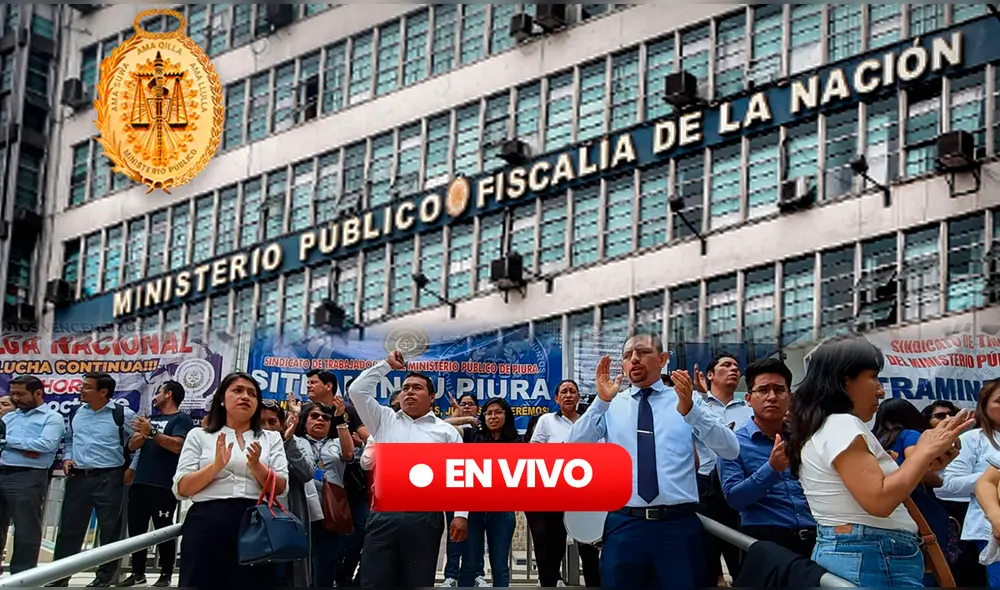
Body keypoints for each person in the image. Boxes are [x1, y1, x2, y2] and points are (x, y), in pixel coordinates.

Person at [785, 335, 971, 587]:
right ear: (844, 379)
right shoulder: (841, 423)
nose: (881, 390)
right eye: (873, 377)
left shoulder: (825, 427)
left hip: (863, 552)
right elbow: (880, 500)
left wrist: (925, 462)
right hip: (874, 554)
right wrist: (925, 451)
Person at [568, 331, 739, 587]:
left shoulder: (685, 400)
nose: (634, 359)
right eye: (627, 355)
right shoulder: (612, 404)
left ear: (663, 359)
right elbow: (575, 447)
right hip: (625, 524)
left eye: (643, 352)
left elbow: (730, 449)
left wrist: (692, 412)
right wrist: (601, 403)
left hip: (678, 527)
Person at [348, 349, 468, 588]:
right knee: (374, 581)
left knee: (417, 582)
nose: (409, 392)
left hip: (425, 517)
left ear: (432, 396)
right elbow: (356, 391)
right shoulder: (384, 420)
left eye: (417, 387)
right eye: (405, 387)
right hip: (384, 515)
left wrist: (461, 516)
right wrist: (386, 365)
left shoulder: (446, 432)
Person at [173, 372, 289, 588]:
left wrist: (256, 466)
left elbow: (281, 487)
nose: (245, 396)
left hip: (256, 524)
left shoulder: (270, 438)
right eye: (237, 390)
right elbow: (182, 488)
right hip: (207, 523)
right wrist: (216, 466)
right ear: (221, 399)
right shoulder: (199, 435)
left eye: (252, 393)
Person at [717, 358, 816, 557]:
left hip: (815, 538)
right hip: (765, 542)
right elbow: (734, 498)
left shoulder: (807, 439)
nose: (772, 397)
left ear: (790, 396)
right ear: (748, 398)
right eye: (762, 390)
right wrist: (771, 469)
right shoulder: (732, 444)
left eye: (779, 390)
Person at [52, 373, 137, 587]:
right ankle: (59, 577)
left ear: (103, 392)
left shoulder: (122, 414)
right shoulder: (76, 412)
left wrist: (132, 468)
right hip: (79, 478)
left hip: (111, 477)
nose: (81, 390)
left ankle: (104, 578)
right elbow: (70, 439)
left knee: (110, 530)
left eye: (87, 387)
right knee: (69, 529)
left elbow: (140, 442)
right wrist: (68, 458)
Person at [120, 381, 194, 588]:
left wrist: (152, 433)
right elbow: (133, 445)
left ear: (169, 394)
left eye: (159, 392)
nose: (155, 397)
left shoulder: (182, 419)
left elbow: (178, 446)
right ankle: (137, 572)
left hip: (163, 484)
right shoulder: (151, 419)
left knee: (163, 530)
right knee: (136, 530)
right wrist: (139, 438)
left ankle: (166, 574)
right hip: (141, 482)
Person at [527, 379, 601, 587]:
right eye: (564, 392)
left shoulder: (588, 421)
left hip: (585, 492)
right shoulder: (546, 421)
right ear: (556, 398)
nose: (569, 395)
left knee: (589, 547)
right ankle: (550, 582)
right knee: (553, 545)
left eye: (573, 391)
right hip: (555, 492)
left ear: (578, 397)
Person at [693, 353, 750, 585]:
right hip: (705, 488)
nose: (734, 369)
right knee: (705, 562)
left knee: (743, 562)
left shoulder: (749, 410)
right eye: (726, 365)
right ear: (710, 375)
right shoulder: (696, 407)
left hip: (741, 488)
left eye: (736, 366)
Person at [0, 376, 64, 574]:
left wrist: (6, 441)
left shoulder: (52, 418)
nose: (16, 398)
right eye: (13, 394)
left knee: (26, 529)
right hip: (2, 471)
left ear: (38, 393)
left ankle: (22, 577)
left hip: (27, 477)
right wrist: (24, 446)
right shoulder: (9, 417)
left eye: (21, 394)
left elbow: (45, 445)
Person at [940, 379, 1000, 587]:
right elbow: (946, 486)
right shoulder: (973, 439)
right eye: (999, 400)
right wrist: (990, 479)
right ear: (983, 406)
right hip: (991, 528)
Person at [460, 398, 522, 588]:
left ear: (506, 415)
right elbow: (443, 425)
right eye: (488, 413)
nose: (493, 417)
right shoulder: (473, 436)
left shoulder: (517, 442)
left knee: (500, 565)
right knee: (469, 563)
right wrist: (470, 419)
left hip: (502, 510)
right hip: (473, 509)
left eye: (498, 412)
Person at [261, 399, 318, 587]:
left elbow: (307, 473)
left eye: (272, 422)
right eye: (261, 423)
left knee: (289, 578)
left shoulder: (299, 442)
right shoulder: (246, 441)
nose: (267, 428)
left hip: (288, 523)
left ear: (282, 423)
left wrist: (287, 442)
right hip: (257, 525)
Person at [440, 392, 482, 588]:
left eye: (470, 404)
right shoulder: (456, 430)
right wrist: (463, 416)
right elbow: (443, 424)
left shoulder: (481, 430)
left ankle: (478, 573)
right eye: (463, 404)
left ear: (478, 408)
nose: (467, 407)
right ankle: (451, 574)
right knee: (454, 532)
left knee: (476, 535)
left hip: (478, 487)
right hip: (455, 486)